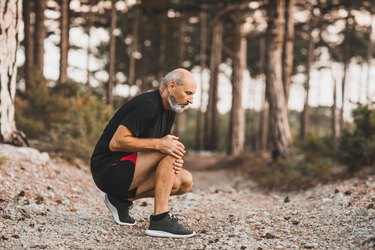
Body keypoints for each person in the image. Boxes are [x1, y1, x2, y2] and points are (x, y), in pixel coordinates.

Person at [90, 68, 197, 238]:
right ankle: (160, 219)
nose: (191, 100)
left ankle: (120, 200)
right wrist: (163, 146)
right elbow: (116, 143)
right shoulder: (147, 106)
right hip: (108, 168)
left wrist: (173, 163)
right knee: (170, 147)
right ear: (171, 86)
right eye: (188, 93)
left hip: (129, 169)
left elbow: (157, 151)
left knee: (184, 181)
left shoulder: (169, 110)